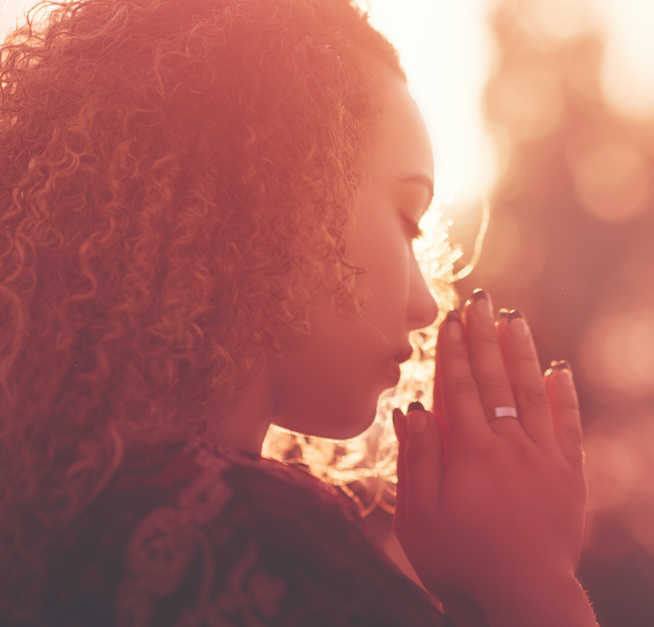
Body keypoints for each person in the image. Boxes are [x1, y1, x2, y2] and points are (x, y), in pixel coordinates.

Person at [0, 0, 598, 625]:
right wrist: (534, 582)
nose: (426, 306)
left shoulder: (49, 505)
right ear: (278, 193)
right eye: (407, 219)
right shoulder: (253, 539)